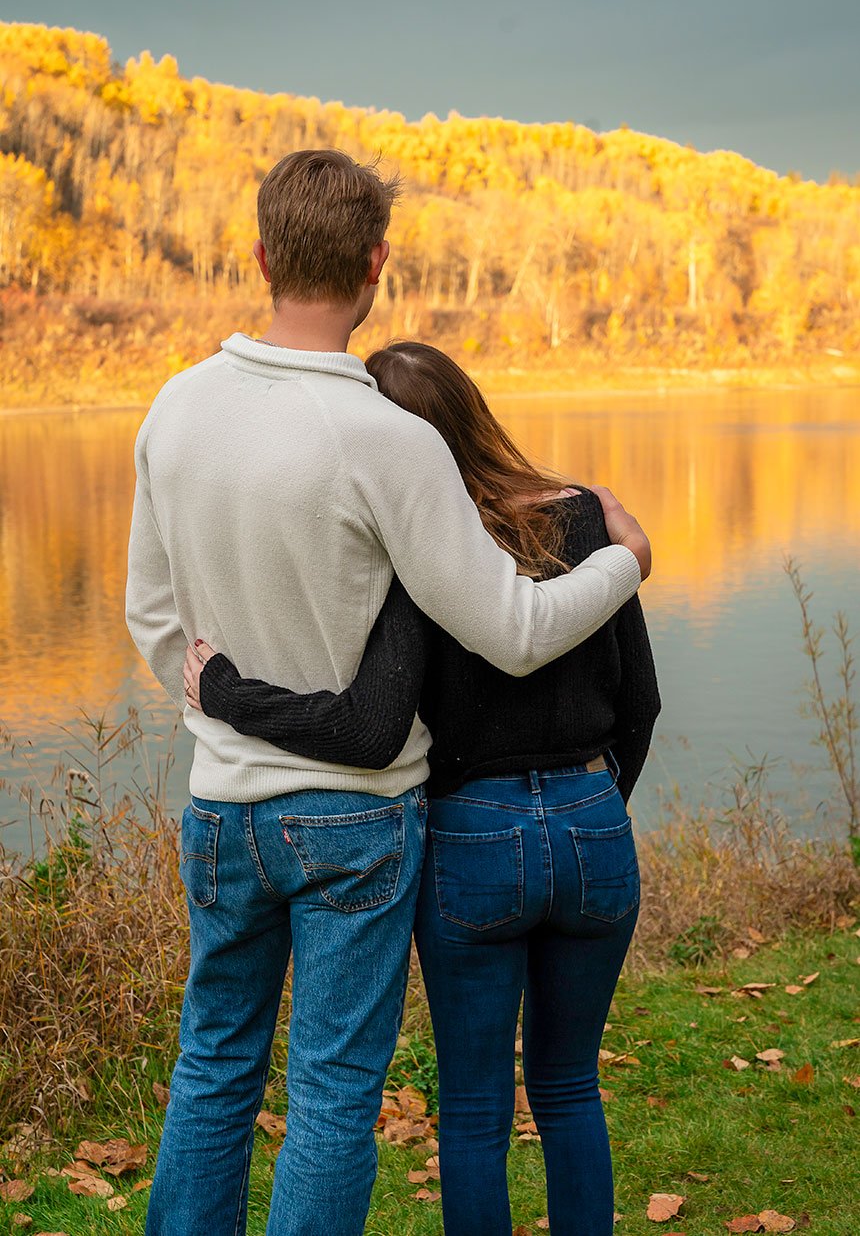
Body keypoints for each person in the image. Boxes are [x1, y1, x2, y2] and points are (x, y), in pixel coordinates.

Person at [125, 149, 650, 1236]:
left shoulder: (173, 408)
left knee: (213, 1064)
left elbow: (153, 620)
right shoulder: (389, 439)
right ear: (376, 266)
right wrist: (623, 562)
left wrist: (221, 698)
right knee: (327, 1097)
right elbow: (510, 632)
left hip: (222, 805)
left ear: (262, 255)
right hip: (354, 823)